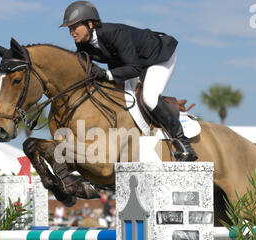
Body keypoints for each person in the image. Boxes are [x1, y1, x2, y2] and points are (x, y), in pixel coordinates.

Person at [60, 1, 197, 161]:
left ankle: (183, 143)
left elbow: (133, 68)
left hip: (158, 57)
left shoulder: (115, 33)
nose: (71, 32)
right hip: (134, 63)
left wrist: (106, 74)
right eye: (69, 28)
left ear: (90, 24)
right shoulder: (84, 44)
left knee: (149, 98)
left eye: (74, 27)